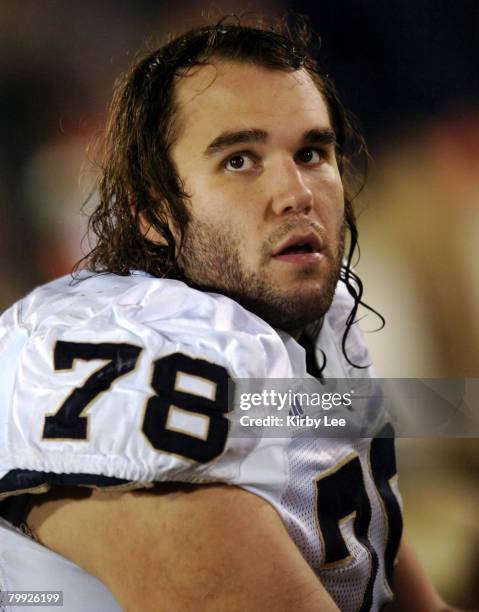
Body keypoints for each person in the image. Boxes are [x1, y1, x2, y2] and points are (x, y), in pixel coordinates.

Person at [0, 18, 461, 612]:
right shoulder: (134, 360)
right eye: (240, 160)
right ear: (153, 213)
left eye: (312, 152)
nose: (297, 192)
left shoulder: (317, 326)